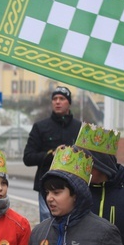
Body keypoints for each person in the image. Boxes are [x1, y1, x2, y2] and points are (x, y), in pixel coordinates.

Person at [23, 85, 82, 221]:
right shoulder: (41, 127)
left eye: (62, 98)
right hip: (47, 186)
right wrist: (51, 155)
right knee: (49, 225)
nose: (57, 102)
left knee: (74, 224)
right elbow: (28, 158)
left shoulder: (79, 128)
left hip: (73, 186)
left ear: (69, 103)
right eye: (55, 99)